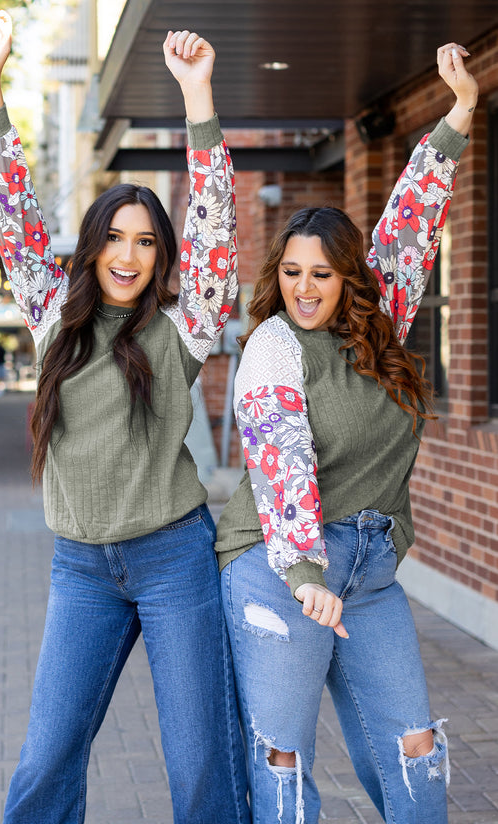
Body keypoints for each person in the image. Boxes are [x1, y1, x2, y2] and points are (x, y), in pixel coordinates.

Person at [0, 6, 249, 823]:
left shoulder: (184, 329)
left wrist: (198, 95)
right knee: (47, 758)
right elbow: (14, 210)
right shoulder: (53, 315)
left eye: (146, 243)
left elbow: (215, 228)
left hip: (174, 560)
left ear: (163, 258)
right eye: (114, 239)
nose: (129, 256)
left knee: (201, 763)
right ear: (92, 246)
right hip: (82, 569)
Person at [215, 43, 478, 824]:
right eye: (292, 272)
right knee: (285, 755)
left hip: (366, 572)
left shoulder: (381, 327)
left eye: (322, 274)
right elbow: (281, 459)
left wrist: (461, 111)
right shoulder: (272, 346)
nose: (303, 288)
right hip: (277, 566)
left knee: (415, 745)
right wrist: (302, 574)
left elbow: (413, 217)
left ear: (349, 279)